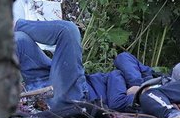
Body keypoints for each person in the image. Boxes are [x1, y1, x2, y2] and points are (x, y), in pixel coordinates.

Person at [15, 19, 155, 112]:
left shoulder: (156, 100)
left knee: (68, 30)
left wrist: (139, 92)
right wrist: (139, 84)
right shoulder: (153, 80)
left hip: (73, 98)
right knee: (19, 40)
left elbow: (116, 103)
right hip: (50, 82)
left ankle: (14, 23)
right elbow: (123, 58)